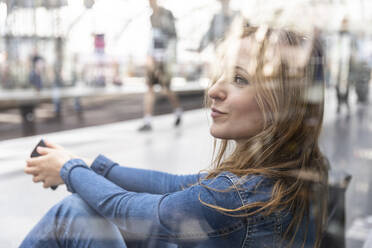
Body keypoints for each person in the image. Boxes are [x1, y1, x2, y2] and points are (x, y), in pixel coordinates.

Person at [21, 23, 328, 247]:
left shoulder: (238, 196)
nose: (214, 91)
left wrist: (68, 169)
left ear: (283, 104)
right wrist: (88, 165)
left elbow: (129, 210)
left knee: (74, 214)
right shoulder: (286, 174)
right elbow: (174, 186)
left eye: (239, 79)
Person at [138, 0, 182, 132]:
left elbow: (172, 37)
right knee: (149, 88)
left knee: (166, 89)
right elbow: (153, 39)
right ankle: (147, 121)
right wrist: (149, 57)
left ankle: (178, 111)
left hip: (164, 60)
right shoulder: (151, 17)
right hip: (154, 58)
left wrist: (166, 59)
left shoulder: (167, 14)